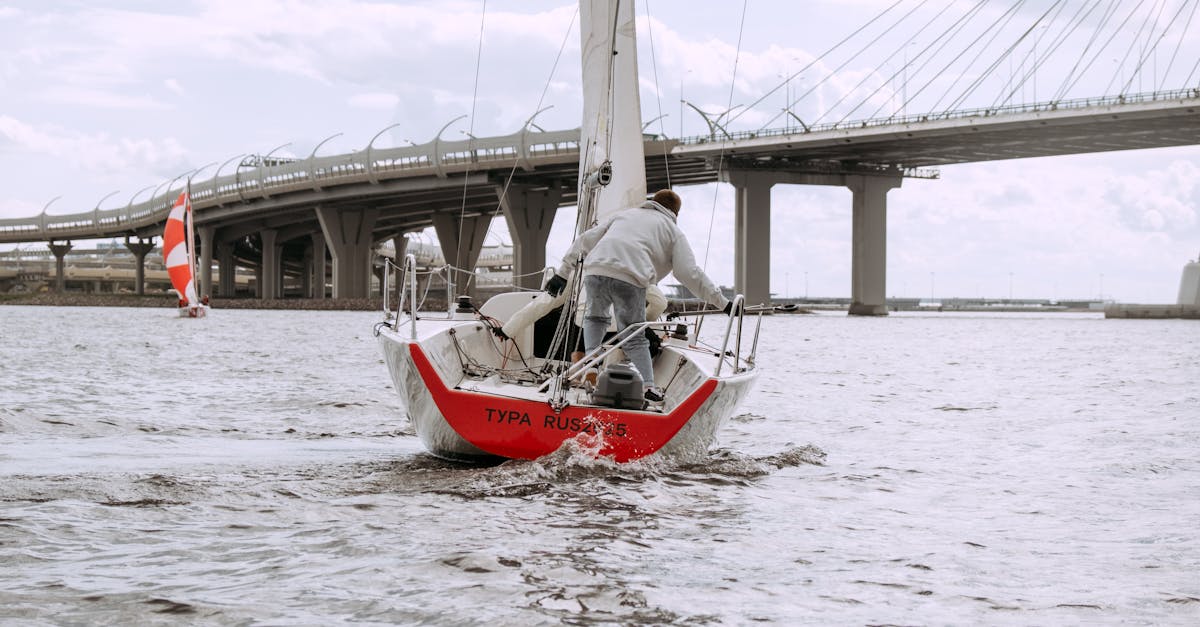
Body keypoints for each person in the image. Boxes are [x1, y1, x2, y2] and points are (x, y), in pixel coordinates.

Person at [545, 189, 732, 403]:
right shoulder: (673, 231)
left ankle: (592, 368)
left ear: (653, 202)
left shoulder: (624, 215)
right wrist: (723, 303)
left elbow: (585, 240)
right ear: (675, 213)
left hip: (596, 270)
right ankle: (649, 387)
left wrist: (562, 273)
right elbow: (689, 273)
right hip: (631, 276)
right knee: (633, 335)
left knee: (595, 318)